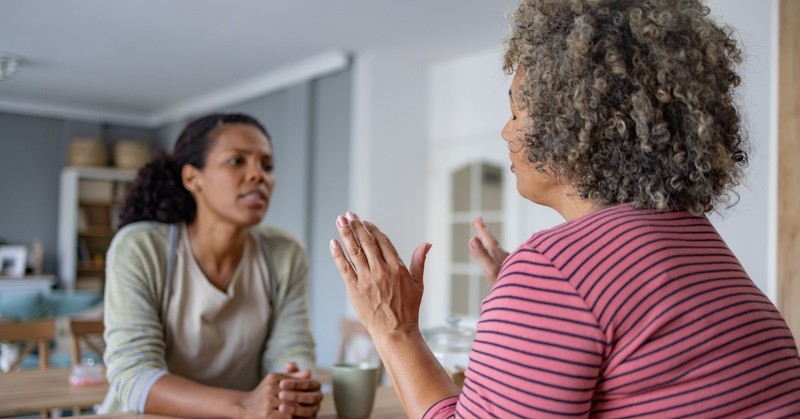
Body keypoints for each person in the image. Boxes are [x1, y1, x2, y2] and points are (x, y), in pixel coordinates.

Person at [329, 0, 800, 417]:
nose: (505, 132)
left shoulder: (556, 272)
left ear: (572, 124)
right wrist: (541, 308)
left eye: (516, 112)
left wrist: (395, 329)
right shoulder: (696, 241)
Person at [100, 113, 322, 418]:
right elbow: (134, 376)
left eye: (267, 166)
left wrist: (293, 386)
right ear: (192, 178)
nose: (258, 175)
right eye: (236, 161)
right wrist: (244, 405)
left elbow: (290, 347)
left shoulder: (285, 253)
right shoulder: (140, 248)